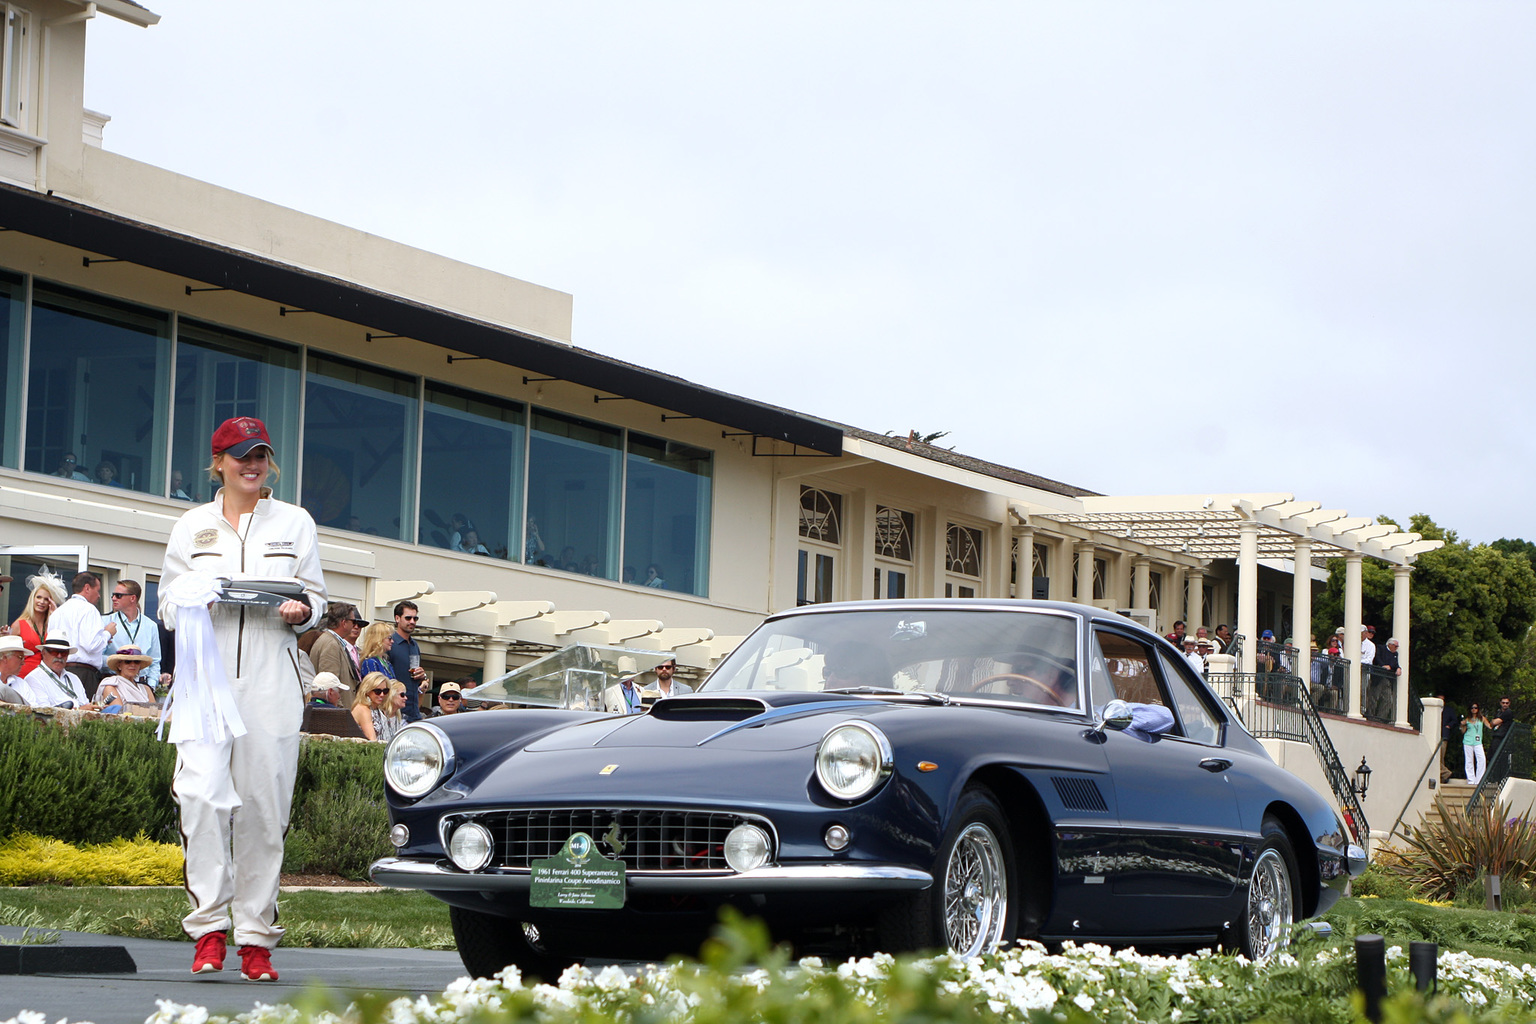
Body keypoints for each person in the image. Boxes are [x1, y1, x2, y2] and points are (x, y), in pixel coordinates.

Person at [159, 415, 325, 982]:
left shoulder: (295, 523)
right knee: (200, 797)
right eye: (240, 457)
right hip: (205, 683)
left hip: (270, 679)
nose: (251, 466)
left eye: (260, 456)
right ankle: (208, 930)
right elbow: (165, 602)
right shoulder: (191, 526)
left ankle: (255, 940)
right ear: (219, 463)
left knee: (263, 808)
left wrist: (304, 612)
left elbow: (318, 598)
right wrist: (189, 604)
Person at [50, 571, 117, 700]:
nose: (99, 596)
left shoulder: (58, 612)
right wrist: (107, 633)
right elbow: (91, 645)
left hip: (59, 670)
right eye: (97, 590)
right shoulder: (89, 610)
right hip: (84, 674)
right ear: (87, 588)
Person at [104, 579, 170, 692]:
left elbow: (155, 660)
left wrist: (150, 686)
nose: (113, 598)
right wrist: (118, 661)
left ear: (132, 598)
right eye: (113, 595)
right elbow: (97, 655)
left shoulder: (151, 626)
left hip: (141, 685)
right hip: (112, 683)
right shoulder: (105, 622)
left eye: (118, 595)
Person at [10, 568, 67, 676]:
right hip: (23, 677)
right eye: (39, 597)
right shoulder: (19, 624)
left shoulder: (51, 626)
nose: (42, 602)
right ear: (32, 599)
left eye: (46, 599)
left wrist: (55, 615)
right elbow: (9, 654)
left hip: (46, 677)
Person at [20, 631, 96, 708]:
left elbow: (86, 704)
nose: (59, 656)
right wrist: (80, 710)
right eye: (54, 651)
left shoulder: (74, 678)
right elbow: (44, 713)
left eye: (64, 653)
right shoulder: (33, 678)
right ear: (43, 653)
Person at [387, 601, 428, 723]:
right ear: (397, 618)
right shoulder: (390, 643)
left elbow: (417, 676)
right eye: (408, 618)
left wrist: (422, 675)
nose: (412, 622)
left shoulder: (415, 645)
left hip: (414, 710)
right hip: (395, 711)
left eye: (415, 618)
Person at [310, 603, 364, 692]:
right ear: (344, 623)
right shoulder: (331, 644)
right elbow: (329, 686)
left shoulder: (333, 642)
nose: (355, 626)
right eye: (353, 622)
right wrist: (337, 706)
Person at [98, 647, 160, 711]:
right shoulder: (111, 685)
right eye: (128, 662)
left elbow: (154, 712)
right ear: (119, 666)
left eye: (136, 662)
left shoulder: (146, 689)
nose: (133, 665)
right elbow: (119, 712)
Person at [350, 671, 397, 741]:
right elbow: (371, 739)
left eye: (385, 691)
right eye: (377, 691)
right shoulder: (363, 709)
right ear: (367, 691)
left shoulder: (377, 708)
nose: (382, 694)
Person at [1367, 637, 1400, 722]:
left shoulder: (1395, 654)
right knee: (1374, 696)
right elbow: (1377, 658)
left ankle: (1381, 718)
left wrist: (1398, 668)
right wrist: (1383, 665)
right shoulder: (1381, 648)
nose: (1396, 648)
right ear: (1390, 644)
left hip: (1387, 678)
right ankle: (1370, 716)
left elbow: (1395, 664)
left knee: (1388, 699)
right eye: (1395, 646)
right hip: (1378, 677)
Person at [1462, 702, 1490, 786]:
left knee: (1481, 759)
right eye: (1472, 708)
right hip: (1468, 741)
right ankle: (1471, 780)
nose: (1474, 709)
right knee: (1469, 760)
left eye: (1475, 708)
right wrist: (1462, 725)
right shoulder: (1467, 719)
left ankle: (1479, 779)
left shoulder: (1482, 718)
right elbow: (1463, 731)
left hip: (1478, 742)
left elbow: (1489, 726)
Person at [0, 634, 29, 704]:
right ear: (5, 658)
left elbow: (33, 709)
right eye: (20, 657)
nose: (23, 663)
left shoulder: (22, 684)